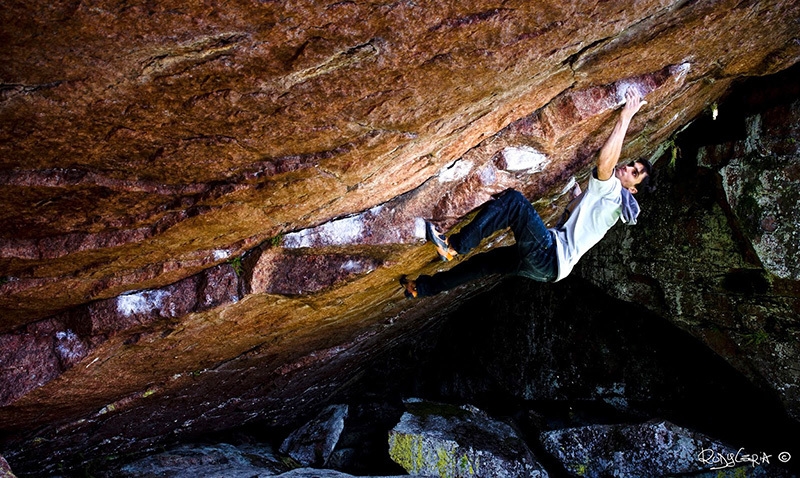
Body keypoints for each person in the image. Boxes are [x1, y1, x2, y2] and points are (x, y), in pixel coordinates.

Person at [401, 88, 655, 298]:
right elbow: (585, 218)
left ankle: (453, 246)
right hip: (549, 268)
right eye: (634, 164)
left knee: (514, 203)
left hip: (549, 255)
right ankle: (422, 288)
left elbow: (605, 162)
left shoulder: (615, 195)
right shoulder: (612, 204)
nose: (628, 167)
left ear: (632, 190)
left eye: (635, 172)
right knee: (484, 264)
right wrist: (577, 198)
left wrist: (625, 117)